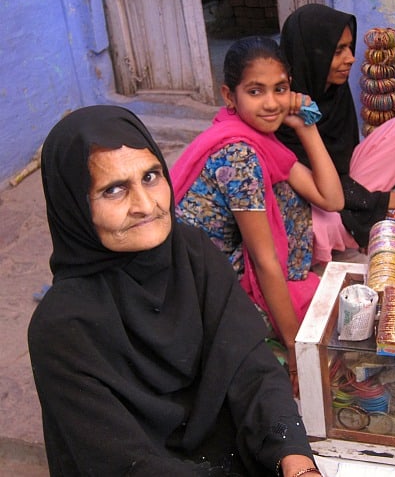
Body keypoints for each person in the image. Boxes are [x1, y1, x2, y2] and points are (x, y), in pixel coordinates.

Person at [28, 105, 322, 477]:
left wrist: (294, 459)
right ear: (74, 207)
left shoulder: (192, 254)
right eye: (114, 190)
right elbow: (123, 464)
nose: (145, 206)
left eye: (150, 176)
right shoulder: (62, 327)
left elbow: (252, 368)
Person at [170, 36, 343, 394]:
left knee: (290, 196)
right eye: (255, 91)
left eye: (280, 89)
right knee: (324, 314)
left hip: (217, 268)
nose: (270, 104)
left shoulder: (256, 139)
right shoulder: (239, 155)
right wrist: (296, 346)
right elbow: (265, 262)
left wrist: (305, 127)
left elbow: (331, 198)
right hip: (206, 290)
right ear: (229, 96)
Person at [276, 4, 395, 263]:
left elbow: (344, 168)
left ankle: (358, 218)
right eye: (338, 51)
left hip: (341, 183)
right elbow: (313, 185)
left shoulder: (334, 91)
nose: (351, 58)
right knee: (320, 227)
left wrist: (372, 201)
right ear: (313, 55)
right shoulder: (281, 105)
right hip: (309, 196)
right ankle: (356, 224)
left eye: (349, 47)